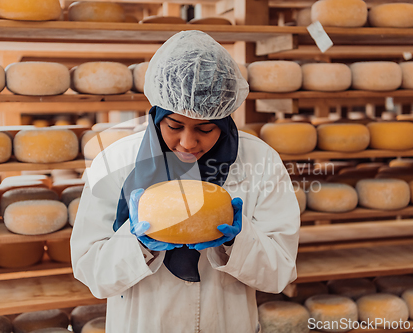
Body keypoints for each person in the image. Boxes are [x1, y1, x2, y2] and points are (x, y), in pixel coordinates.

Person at [71, 30, 300, 333]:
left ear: (224, 118)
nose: (187, 142)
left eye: (205, 129)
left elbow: (280, 273)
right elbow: (93, 274)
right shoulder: (115, 162)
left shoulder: (259, 160)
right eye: (174, 126)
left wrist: (237, 240)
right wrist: (137, 242)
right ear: (156, 115)